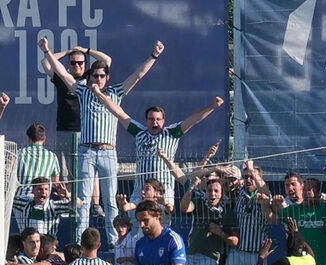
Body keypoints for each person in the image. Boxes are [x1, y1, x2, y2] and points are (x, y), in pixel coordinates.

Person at [40, 36, 165, 243]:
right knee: (83, 200)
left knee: (110, 201)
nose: (98, 79)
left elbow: (137, 75)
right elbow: (62, 73)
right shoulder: (83, 92)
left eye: (101, 76)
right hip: (87, 151)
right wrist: (47, 51)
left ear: (107, 77)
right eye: (95, 76)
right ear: (90, 77)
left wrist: (154, 56)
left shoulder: (116, 92)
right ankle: (81, 242)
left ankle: (115, 242)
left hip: (108, 151)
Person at [89, 88, 224, 205]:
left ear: (163, 121)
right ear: (146, 120)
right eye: (151, 119)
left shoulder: (172, 133)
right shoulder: (139, 132)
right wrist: (99, 94)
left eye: (158, 119)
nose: (155, 123)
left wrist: (213, 106)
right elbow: (118, 112)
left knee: (160, 224)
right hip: (141, 191)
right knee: (138, 224)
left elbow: (193, 120)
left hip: (164, 191)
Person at [40, 44, 112, 182]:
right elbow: (45, 62)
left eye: (80, 62)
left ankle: (91, 197)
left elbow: (107, 60)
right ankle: (68, 195)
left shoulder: (91, 77)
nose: (77, 65)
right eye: (73, 62)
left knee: (88, 172)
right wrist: (67, 52)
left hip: (85, 131)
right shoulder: (62, 77)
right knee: (66, 173)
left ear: (85, 64)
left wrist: (86, 50)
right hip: (64, 130)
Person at [15, 123, 60, 202]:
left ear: (28, 139)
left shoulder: (19, 154)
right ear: (44, 139)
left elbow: (9, 175)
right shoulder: (52, 156)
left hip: (21, 199)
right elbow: (55, 183)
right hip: (43, 200)